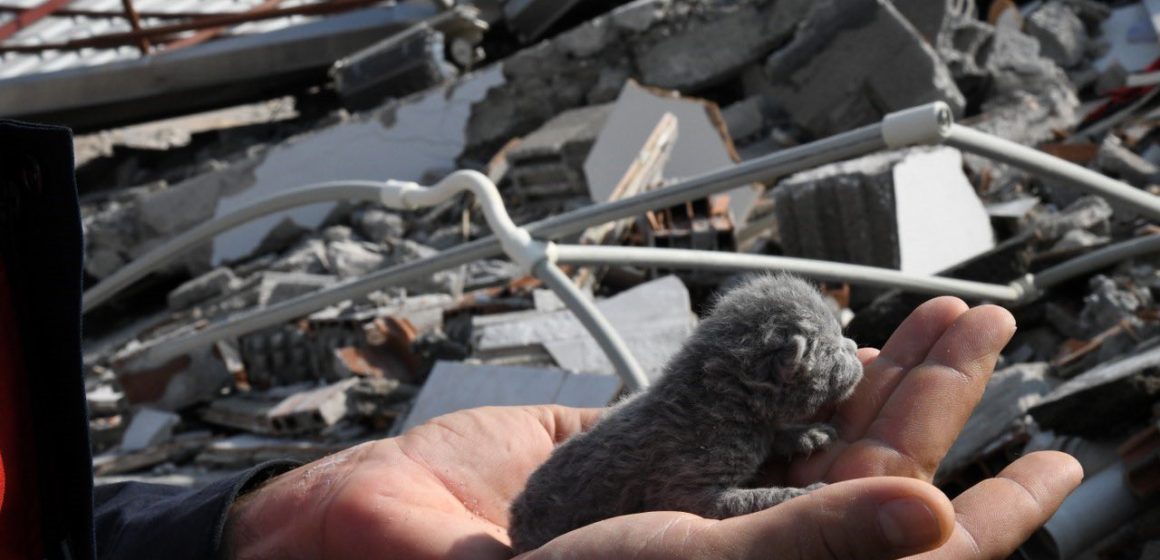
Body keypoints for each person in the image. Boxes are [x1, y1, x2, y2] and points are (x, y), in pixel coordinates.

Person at [1, 121, 1082, 560]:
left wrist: (244, 530)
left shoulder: (724, 399)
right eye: (819, 368)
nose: (846, 378)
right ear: (761, 377)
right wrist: (781, 496)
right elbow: (711, 497)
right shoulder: (698, 435)